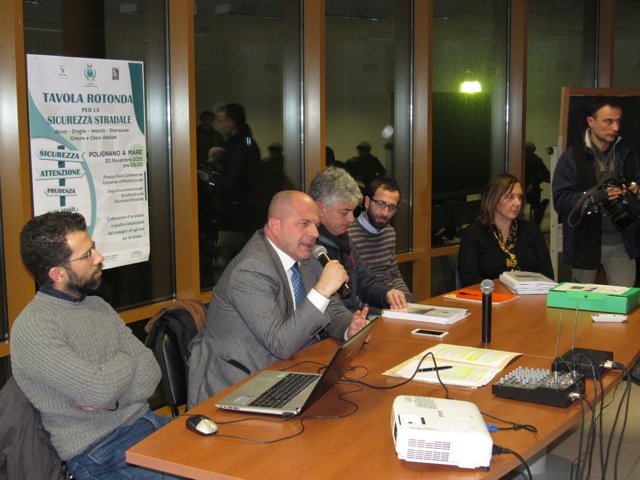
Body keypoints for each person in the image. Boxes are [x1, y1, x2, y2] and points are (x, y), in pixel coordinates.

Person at [10, 212, 176, 480]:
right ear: (58, 273)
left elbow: (151, 368)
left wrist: (116, 401)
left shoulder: (98, 305)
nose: (99, 258)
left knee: (230, 459)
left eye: (94, 248)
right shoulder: (34, 327)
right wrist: (127, 360)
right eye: (87, 255)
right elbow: (99, 390)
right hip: (99, 450)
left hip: (146, 423)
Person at [187, 191, 369, 408]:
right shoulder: (250, 269)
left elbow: (332, 308)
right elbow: (281, 344)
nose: (314, 233)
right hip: (237, 386)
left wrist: (350, 328)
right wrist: (322, 290)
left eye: (315, 224)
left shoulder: (305, 256)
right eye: (304, 223)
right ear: (275, 226)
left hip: (287, 371)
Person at [552, 96, 640, 287]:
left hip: (623, 243)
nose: (615, 128)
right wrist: (596, 197)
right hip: (585, 243)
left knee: (623, 303)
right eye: (609, 121)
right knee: (580, 304)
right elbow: (561, 201)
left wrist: (635, 190)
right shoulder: (571, 158)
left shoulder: (628, 152)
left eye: (618, 121)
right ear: (590, 121)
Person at [307, 167, 408, 315]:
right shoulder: (309, 247)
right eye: (344, 212)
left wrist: (387, 294)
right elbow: (329, 309)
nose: (351, 219)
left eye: (352, 212)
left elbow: (365, 281)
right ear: (320, 208)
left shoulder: (344, 239)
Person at [458, 174, 554, 287]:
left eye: (520, 197)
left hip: (530, 297)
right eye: (510, 197)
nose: (517, 203)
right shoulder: (474, 234)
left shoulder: (531, 230)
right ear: (493, 199)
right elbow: (469, 280)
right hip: (491, 299)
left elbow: (547, 274)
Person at [347, 177, 416, 303]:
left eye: (391, 208)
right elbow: (355, 286)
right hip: (369, 303)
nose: (385, 213)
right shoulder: (349, 233)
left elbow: (394, 275)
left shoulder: (389, 233)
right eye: (380, 204)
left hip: (391, 300)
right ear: (367, 202)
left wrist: (408, 299)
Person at [524, 141, 550, 225]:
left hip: (533, 191)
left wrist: (533, 183)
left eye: (527, 150)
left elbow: (546, 175)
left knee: (536, 212)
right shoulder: (520, 160)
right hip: (523, 188)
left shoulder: (536, 160)